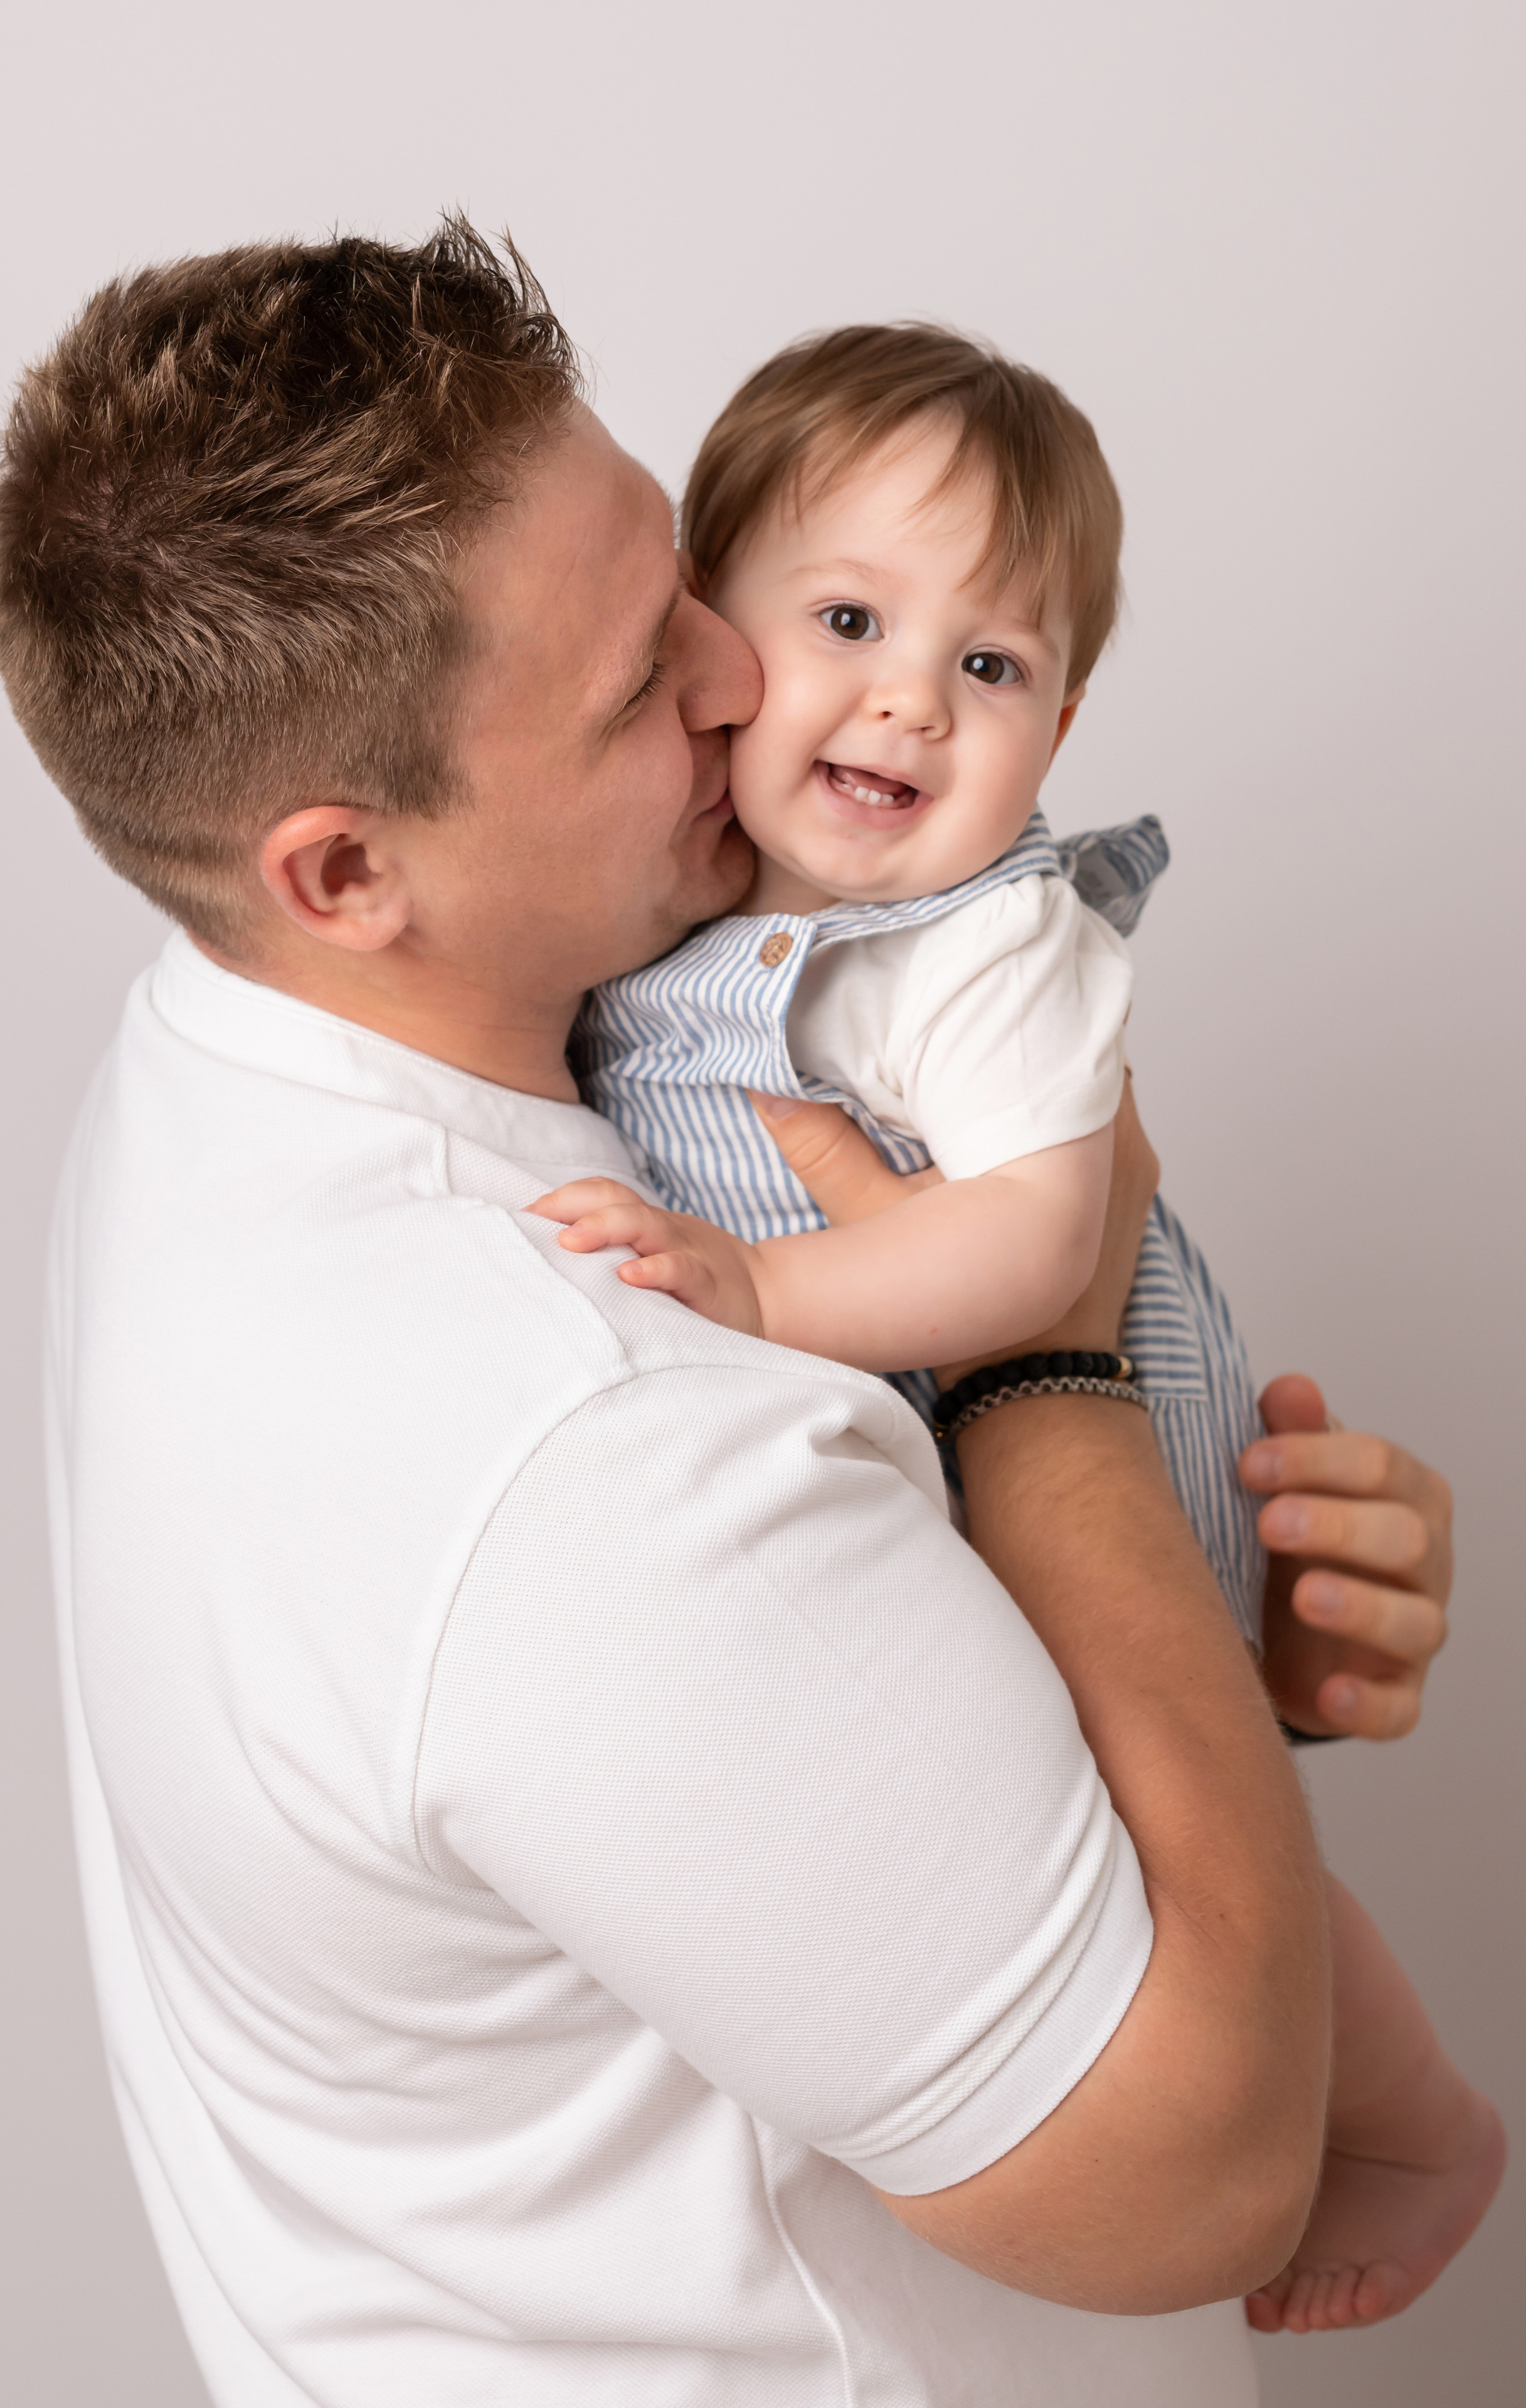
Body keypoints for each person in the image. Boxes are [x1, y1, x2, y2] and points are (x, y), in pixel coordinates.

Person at [0, 220, 1455, 2404]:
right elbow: (1208, 2184)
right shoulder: (578, 1433)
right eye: (631, 688)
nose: (744, 680)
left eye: (684, 580)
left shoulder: (236, 1056)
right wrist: (1051, 1360)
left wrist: (1230, 1664)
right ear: (344, 870)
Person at [544, 326, 1505, 2333]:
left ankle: (1413, 2126)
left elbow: (1041, 1243)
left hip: (1092, 1454)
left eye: (990, 666)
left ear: (1058, 724)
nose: (911, 694)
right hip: (957, 1456)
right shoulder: (686, 927)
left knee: (1174, 1833)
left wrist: (769, 1290)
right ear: (717, 640)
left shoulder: (984, 942)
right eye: (848, 617)